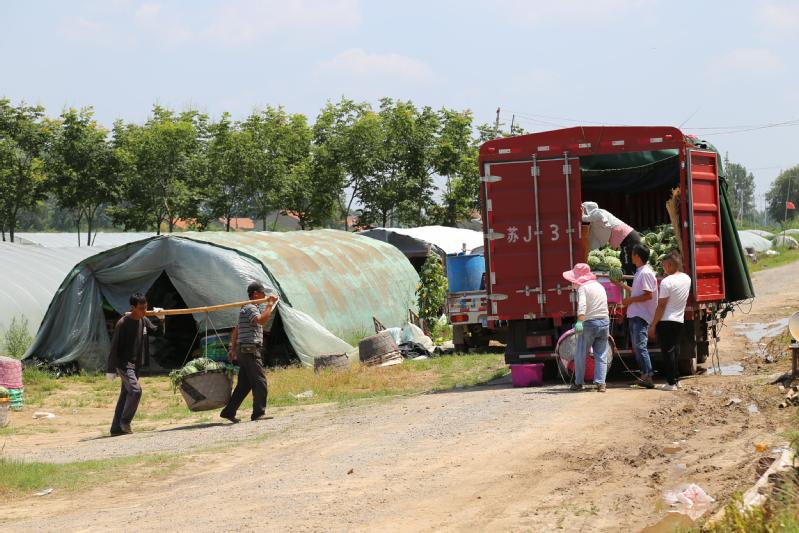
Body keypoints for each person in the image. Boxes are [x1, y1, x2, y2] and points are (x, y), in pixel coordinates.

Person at [106, 292, 164, 436]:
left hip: (136, 364)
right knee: (136, 391)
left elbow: (157, 332)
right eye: (141, 308)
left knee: (126, 394)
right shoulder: (123, 323)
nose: (144, 311)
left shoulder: (143, 320)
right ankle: (125, 422)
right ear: (133, 307)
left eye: (146, 308)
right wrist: (111, 369)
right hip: (124, 365)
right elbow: (114, 347)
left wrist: (162, 319)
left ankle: (116, 428)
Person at [220, 281, 278, 423]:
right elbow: (261, 321)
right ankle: (258, 413)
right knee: (260, 382)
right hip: (249, 350)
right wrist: (270, 305)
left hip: (244, 350)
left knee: (244, 385)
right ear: (256, 294)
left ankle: (228, 412)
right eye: (263, 293)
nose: (264, 296)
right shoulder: (251, 307)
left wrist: (233, 348)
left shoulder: (247, 308)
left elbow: (236, 330)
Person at [614, 244, 658, 389]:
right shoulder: (640, 271)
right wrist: (621, 285)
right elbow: (637, 291)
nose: (630, 256)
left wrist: (630, 301)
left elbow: (648, 295)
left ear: (637, 256)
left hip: (641, 315)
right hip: (636, 314)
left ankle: (648, 376)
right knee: (638, 347)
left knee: (640, 346)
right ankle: (644, 375)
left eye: (632, 254)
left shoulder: (645, 273)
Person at [563, 263, 610, 392]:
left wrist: (579, 321)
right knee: (601, 354)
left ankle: (578, 383)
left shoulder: (583, 288)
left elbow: (582, 305)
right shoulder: (599, 286)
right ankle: (601, 384)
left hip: (589, 323)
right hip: (604, 321)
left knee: (580, 354)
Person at [648, 252, 691, 391]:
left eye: (664, 265)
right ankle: (676, 380)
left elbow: (661, 305)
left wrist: (653, 324)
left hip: (666, 320)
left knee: (667, 353)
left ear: (670, 264)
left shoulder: (667, 282)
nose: (663, 268)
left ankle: (671, 383)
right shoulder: (686, 278)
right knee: (675, 351)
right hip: (679, 320)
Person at [582, 201, 642, 276]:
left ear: (588, 209)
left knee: (628, 264)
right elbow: (593, 234)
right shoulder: (596, 220)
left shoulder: (599, 212)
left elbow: (589, 218)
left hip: (629, 238)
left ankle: (632, 282)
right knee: (625, 260)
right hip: (628, 238)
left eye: (585, 211)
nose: (584, 213)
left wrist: (581, 216)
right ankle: (633, 281)